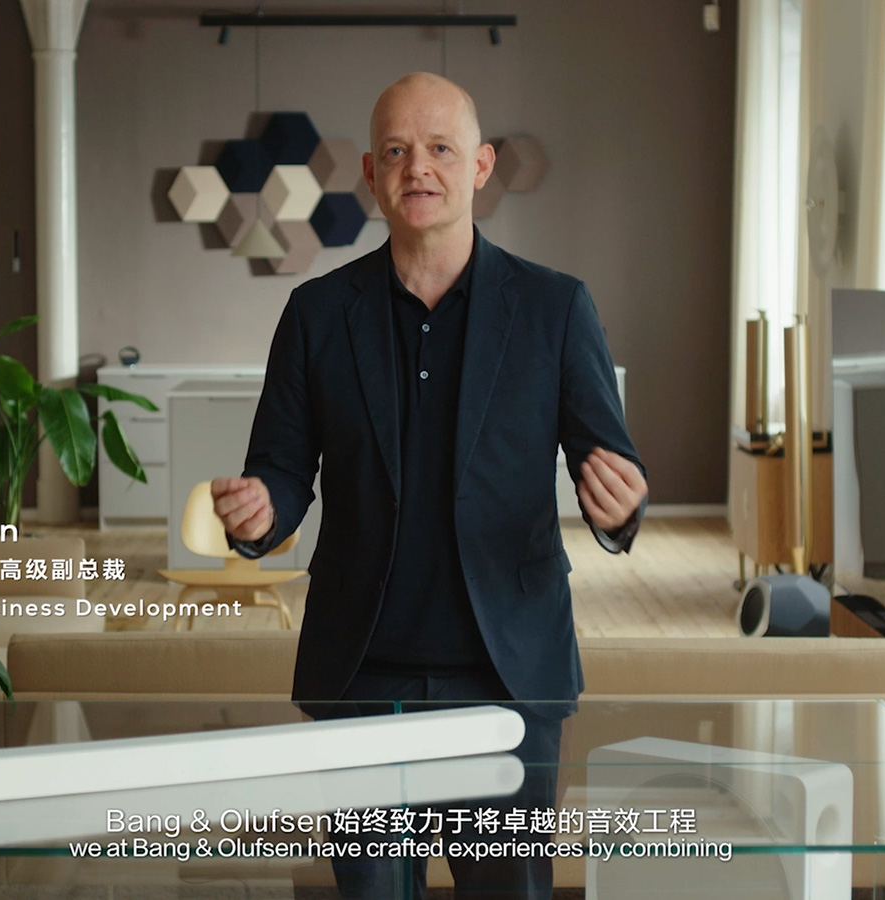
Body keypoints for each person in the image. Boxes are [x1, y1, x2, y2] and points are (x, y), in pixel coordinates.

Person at [211, 72, 648, 899]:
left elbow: (611, 463)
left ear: (480, 166)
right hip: (362, 673)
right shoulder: (315, 313)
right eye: (397, 151)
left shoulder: (556, 308)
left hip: (508, 676)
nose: (418, 167)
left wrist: (622, 508)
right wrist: (260, 512)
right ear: (371, 174)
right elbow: (281, 469)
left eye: (441, 148)